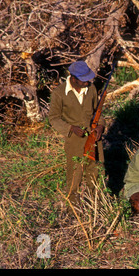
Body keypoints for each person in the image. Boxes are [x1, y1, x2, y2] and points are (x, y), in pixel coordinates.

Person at [48, 61, 105, 208]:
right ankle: (73, 207)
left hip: (93, 137)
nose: (87, 83)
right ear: (73, 78)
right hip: (74, 140)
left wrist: (100, 127)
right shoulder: (59, 93)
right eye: (83, 80)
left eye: (88, 80)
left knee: (94, 170)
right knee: (74, 173)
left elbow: (97, 113)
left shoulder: (91, 90)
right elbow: (53, 118)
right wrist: (71, 128)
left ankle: (97, 204)